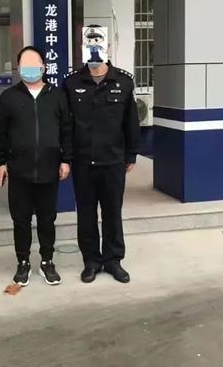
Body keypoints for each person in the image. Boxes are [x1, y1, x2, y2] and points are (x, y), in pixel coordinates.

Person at [63, 28, 140, 284]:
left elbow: (131, 121)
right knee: (86, 214)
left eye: (98, 42)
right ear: (82, 47)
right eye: (89, 43)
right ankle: (91, 261)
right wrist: (67, 157)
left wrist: (131, 154)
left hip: (113, 161)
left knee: (112, 213)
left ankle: (113, 260)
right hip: (83, 162)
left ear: (107, 48)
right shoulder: (72, 83)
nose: (94, 47)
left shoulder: (124, 82)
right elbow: (67, 125)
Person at [0, 46, 73, 286]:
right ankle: (23, 262)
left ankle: (47, 261)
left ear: (43, 67)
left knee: (47, 219)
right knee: (21, 220)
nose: (30, 69)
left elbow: (67, 130)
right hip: (19, 170)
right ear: (18, 68)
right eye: (25, 65)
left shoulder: (57, 95)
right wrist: (0, 162)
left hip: (49, 169)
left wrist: (66, 159)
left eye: (34, 63)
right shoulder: (9, 97)